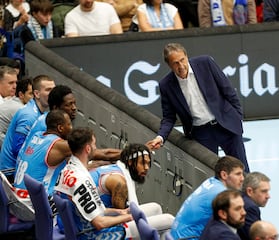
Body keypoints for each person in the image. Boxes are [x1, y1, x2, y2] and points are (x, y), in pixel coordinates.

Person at [147, 43, 249, 173]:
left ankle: (246, 194)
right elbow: (169, 117)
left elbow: (227, 89)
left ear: (186, 56)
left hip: (226, 124)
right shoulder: (166, 85)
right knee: (210, 174)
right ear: (169, 65)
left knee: (241, 170)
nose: (181, 66)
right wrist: (160, 137)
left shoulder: (205, 63)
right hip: (202, 133)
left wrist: (237, 116)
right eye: (175, 63)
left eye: (182, 60)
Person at [54, 127, 133, 239]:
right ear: (88, 148)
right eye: (94, 144)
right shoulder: (81, 180)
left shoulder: (67, 170)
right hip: (89, 234)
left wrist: (120, 212)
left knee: (153, 210)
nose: (96, 147)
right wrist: (128, 217)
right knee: (160, 222)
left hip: (75, 226)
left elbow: (95, 210)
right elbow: (99, 223)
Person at [90, 143, 174, 239]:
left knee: (156, 208)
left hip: (102, 216)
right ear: (130, 162)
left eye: (148, 163)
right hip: (105, 232)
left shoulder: (115, 168)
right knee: (169, 220)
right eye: (142, 163)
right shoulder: (119, 183)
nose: (146, 168)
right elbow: (121, 221)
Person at [170, 155, 245, 239]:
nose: (242, 178)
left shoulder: (211, 182)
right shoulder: (221, 194)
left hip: (176, 235)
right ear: (224, 175)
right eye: (238, 174)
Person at [0, 74, 55, 180]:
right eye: (48, 90)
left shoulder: (41, 112)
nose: (52, 93)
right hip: (10, 172)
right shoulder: (29, 115)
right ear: (37, 94)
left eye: (53, 89)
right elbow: (18, 148)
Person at [13, 109, 72, 207]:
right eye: (69, 124)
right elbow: (85, 150)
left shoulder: (36, 135)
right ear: (60, 128)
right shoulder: (57, 144)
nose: (71, 128)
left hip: (17, 199)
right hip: (34, 206)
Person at [0, 77, 33, 149]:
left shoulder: (14, 101)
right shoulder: (20, 109)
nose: (34, 97)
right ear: (21, 95)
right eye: (31, 94)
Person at [238, 172, 271, 240]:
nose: (268, 196)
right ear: (250, 191)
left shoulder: (241, 198)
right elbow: (256, 238)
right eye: (264, 191)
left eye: (268, 191)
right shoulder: (250, 207)